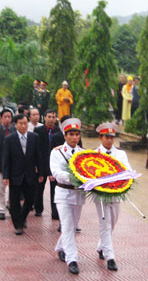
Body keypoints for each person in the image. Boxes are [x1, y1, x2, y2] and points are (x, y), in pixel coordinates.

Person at [94, 122, 133, 271]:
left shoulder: (121, 154)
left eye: (111, 137)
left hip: (116, 194)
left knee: (113, 223)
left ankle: (100, 246)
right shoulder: (94, 154)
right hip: (101, 196)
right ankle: (110, 257)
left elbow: (127, 170)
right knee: (105, 224)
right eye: (106, 137)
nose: (109, 140)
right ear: (100, 137)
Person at [50, 118, 85, 275]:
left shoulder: (83, 154)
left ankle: (60, 247)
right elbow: (57, 173)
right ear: (65, 135)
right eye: (71, 134)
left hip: (78, 194)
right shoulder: (56, 152)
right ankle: (72, 259)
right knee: (68, 225)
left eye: (76, 134)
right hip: (63, 193)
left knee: (72, 225)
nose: (74, 137)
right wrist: (76, 177)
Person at [2, 114, 41, 235]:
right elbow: (6, 159)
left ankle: (22, 217)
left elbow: (38, 156)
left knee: (30, 199)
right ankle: (18, 225)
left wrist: (41, 172)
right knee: (14, 201)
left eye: (25, 123)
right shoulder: (10, 139)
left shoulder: (34, 137)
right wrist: (5, 176)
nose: (23, 126)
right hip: (15, 174)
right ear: (16, 125)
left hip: (30, 174)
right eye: (21, 123)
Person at [34, 109, 60, 219]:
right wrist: (35, 164)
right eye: (49, 117)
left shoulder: (59, 131)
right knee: (39, 188)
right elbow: (35, 149)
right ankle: (38, 209)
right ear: (44, 118)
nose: (51, 119)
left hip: (54, 164)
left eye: (53, 117)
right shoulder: (38, 130)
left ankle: (55, 212)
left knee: (55, 189)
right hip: (41, 163)